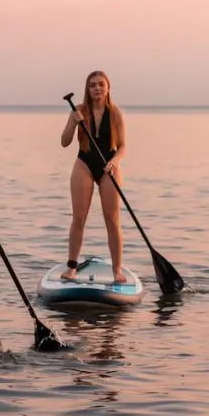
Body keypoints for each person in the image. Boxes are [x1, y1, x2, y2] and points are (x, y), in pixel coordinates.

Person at [59, 70, 128, 283]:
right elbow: (64, 141)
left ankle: (117, 270)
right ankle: (72, 266)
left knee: (112, 219)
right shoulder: (79, 110)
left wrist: (115, 161)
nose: (97, 88)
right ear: (87, 90)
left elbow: (123, 146)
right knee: (79, 218)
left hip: (109, 165)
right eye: (92, 85)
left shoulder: (115, 113)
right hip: (85, 164)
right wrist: (72, 122)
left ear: (108, 88)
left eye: (101, 84)